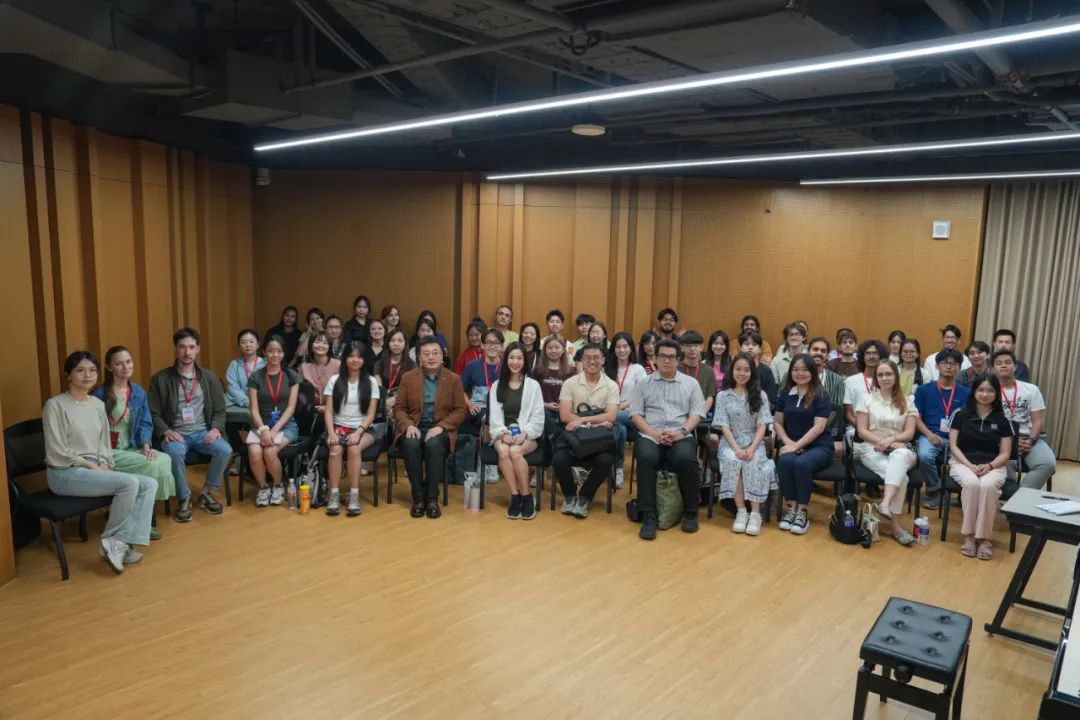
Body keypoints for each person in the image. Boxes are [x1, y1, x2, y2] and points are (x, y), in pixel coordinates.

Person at [44, 351, 156, 573]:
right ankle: (113, 542)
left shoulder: (96, 404)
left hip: (94, 469)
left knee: (149, 484)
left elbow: (104, 444)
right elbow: (57, 451)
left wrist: (106, 464)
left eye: (92, 370)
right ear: (68, 375)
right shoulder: (54, 405)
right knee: (129, 484)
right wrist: (91, 466)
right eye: (80, 370)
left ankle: (120, 543)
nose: (87, 375)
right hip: (65, 472)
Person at [149, 327, 232, 521]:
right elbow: (153, 412)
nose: (187, 352)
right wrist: (166, 430)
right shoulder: (160, 379)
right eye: (182, 347)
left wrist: (216, 428)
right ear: (176, 349)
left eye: (191, 347)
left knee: (225, 450)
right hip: (176, 434)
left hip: (203, 432)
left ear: (198, 349)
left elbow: (220, 410)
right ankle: (184, 497)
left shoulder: (210, 378)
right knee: (175, 453)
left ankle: (205, 492)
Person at [91, 346, 173, 542]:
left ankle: (135, 517)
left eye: (128, 362)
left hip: (132, 446)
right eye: (119, 363)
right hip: (108, 451)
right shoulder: (100, 394)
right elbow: (91, 428)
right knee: (150, 465)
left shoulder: (138, 392)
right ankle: (137, 523)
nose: (125, 367)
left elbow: (145, 422)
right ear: (109, 367)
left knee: (163, 459)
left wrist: (145, 445)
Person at [631, 339, 706, 540]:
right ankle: (648, 515)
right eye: (663, 356)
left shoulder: (691, 384)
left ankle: (691, 512)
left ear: (678, 360)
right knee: (645, 457)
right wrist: (654, 434)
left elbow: (697, 414)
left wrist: (681, 431)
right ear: (655, 359)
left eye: (671, 357)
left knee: (685, 458)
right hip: (651, 434)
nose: (667, 360)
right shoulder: (643, 383)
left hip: (680, 434)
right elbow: (636, 414)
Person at [393, 337, 468, 518]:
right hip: (415, 426)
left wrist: (442, 426)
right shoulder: (408, 378)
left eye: (435, 353)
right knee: (410, 444)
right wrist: (408, 425)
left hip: (440, 428)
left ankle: (432, 498)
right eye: (426, 354)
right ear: (419, 357)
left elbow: (460, 410)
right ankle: (418, 497)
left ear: (442, 356)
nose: (431, 357)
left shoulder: (453, 379)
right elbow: (399, 408)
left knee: (434, 445)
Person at [853, 359, 919, 546]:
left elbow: (909, 433)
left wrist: (890, 441)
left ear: (895, 376)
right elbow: (862, 431)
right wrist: (880, 442)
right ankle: (896, 528)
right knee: (902, 478)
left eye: (888, 374)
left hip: (900, 447)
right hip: (872, 448)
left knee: (900, 455)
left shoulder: (908, 400)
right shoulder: (866, 399)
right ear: (876, 378)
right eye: (880, 375)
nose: (884, 378)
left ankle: (885, 503)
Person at [949, 375, 1013, 560]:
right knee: (971, 484)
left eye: (990, 391)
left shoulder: (1002, 420)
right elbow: (953, 446)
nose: (985, 394)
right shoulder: (961, 414)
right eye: (981, 390)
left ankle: (984, 539)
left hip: (994, 465)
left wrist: (990, 466)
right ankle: (969, 536)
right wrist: (969, 465)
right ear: (974, 392)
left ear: (996, 393)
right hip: (963, 462)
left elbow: (1005, 453)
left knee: (987, 486)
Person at [555, 343, 620, 520]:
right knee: (559, 458)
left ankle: (585, 497)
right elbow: (564, 415)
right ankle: (570, 496)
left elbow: (611, 416)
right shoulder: (570, 383)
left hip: (598, 440)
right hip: (574, 438)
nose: (592, 361)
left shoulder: (611, 385)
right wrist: (598, 421)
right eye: (588, 358)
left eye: (596, 357)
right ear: (582, 360)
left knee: (606, 460)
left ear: (603, 360)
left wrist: (581, 420)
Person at [713, 353, 776, 536]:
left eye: (746, 370)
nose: (742, 373)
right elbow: (724, 426)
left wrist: (752, 448)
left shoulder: (761, 395)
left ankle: (755, 514)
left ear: (752, 372)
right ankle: (741, 511)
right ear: (732, 371)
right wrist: (737, 449)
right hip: (730, 443)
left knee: (753, 461)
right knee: (734, 461)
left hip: (754, 442)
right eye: (738, 369)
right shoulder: (723, 396)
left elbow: (762, 426)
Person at [773, 355, 832, 535]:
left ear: (812, 372)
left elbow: (819, 427)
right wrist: (788, 442)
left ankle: (802, 512)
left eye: (805, 369)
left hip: (819, 445)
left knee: (801, 463)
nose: (800, 373)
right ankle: (792, 509)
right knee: (784, 461)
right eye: (796, 369)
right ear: (790, 372)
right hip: (792, 443)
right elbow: (777, 422)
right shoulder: (785, 394)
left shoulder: (821, 395)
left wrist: (796, 445)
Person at [323, 342, 380, 517]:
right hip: (338, 427)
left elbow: (371, 414)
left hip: (363, 429)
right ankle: (334, 494)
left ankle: (354, 495)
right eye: (351, 356)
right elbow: (328, 410)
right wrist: (331, 432)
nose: (355, 360)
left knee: (354, 448)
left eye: (359, 357)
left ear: (364, 360)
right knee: (335, 449)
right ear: (345, 358)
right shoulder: (334, 380)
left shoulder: (371, 381)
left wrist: (358, 432)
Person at [489, 343, 545, 520]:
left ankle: (526, 496)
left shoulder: (533, 386)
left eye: (519, 358)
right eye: (511, 358)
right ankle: (515, 496)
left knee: (515, 451)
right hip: (503, 433)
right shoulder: (497, 385)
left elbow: (538, 416)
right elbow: (494, 417)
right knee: (503, 450)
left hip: (527, 434)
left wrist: (525, 433)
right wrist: (503, 433)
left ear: (525, 361)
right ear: (506, 360)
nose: (515, 362)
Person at [247, 335, 300, 507]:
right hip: (260, 426)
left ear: (284, 354)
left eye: (279, 351)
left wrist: (274, 430)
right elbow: (253, 409)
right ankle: (263, 487)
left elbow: (291, 408)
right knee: (255, 452)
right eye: (271, 351)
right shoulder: (255, 377)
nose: (275, 355)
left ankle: (278, 485)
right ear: (264, 352)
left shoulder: (291, 375)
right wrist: (263, 430)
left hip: (285, 425)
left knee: (269, 452)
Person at [914, 348, 970, 510]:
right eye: (945, 363)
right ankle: (935, 489)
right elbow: (916, 418)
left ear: (959, 368)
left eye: (954, 364)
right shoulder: (924, 390)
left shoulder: (966, 392)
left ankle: (959, 493)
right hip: (930, 435)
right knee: (924, 456)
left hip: (957, 439)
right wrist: (929, 435)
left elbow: (968, 421)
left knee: (967, 461)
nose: (949, 367)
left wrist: (955, 440)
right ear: (937, 366)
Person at [993, 349, 1056, 489]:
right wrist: (1006, 443)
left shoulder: (1031, 389)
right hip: (1000, 440)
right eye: (999, 363)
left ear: (1015, 366)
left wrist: (1030, 440)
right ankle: (1011, 495)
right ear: (992, 369)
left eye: (1008, 362)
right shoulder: (988, 391)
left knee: (1047, 464)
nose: (1003, 365)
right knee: (1002, 466)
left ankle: (1020, 498)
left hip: (1029, 439)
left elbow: (1038, 420)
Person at [843, 339, 889, 499]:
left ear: (881, 356)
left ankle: (872, 482)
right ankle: (852, 480)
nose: (871, 356)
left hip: (881, 429)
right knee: (856, 447)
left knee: (879, 446)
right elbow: (848, 414)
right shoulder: (851, 381)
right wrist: (862, 428)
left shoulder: (886, 380)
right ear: (862, 356)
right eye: (868, 353)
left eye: (875, 353)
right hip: (856, 428)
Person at [605, 331, 647, 488]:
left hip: (633, 415)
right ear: (613, 349)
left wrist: (620, 406)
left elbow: (642, 395)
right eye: (618, 347)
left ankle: (617, 466)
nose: (621, 350)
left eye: (625, 346)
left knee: (617, 417)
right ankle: (618, 467)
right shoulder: (606, 369)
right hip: (614, 416)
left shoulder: (638, 369)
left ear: (631, 349)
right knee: (620, 428)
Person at [373, 328, 416, 415]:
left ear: (405, 343)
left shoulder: (412, 365)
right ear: (388, 343)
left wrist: (395, 400)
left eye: (400, 341)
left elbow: (412, 388)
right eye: (393, 340)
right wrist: (385, 403)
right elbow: (378, 387)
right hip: (383, 402)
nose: (396, 344)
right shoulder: (380, 363)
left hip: (404, 402)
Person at [225, 329, 265, 418]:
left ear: (258, 344)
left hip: (263, 406)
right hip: (241, 407)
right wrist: (248, 403)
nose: (248, 345)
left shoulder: (266, 364)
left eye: (251, 341)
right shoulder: (234, 365)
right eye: (243, 342)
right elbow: (232, 388)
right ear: (239, 346)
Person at [299, 330, 341, 413]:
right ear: (311, 345)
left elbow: (344, 391)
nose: (320, 345)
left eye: (325, 343)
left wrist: (328, 407)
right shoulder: (304, 367)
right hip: (310, 412)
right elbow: (299, 392)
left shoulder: (338, 365)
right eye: (317, 342)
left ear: (329, 346)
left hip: (335, 410)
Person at [678, 331, 716, 416]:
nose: (692, 349)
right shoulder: (675, 369)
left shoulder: (708, 370)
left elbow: (710, 398)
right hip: (678, 415)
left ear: (702, 347)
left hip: (700, 415)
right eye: (688, 345)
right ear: (681, 347)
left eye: (696, 345)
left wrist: (699, 415)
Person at [738, 331, 778, 410]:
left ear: (760, 349)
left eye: (754, 344)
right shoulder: (733, 370)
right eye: (746, 344)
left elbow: (772, 401)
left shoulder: (766, 371)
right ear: (740, 348)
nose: (750, 347)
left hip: (759, 412)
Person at [808, 337, 846, 409]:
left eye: (823, 351)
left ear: (827, 356)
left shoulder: (836, 380)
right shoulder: (796, 375)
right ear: (808, 352)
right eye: (815, 349)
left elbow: (837, 410)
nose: (819, 353)